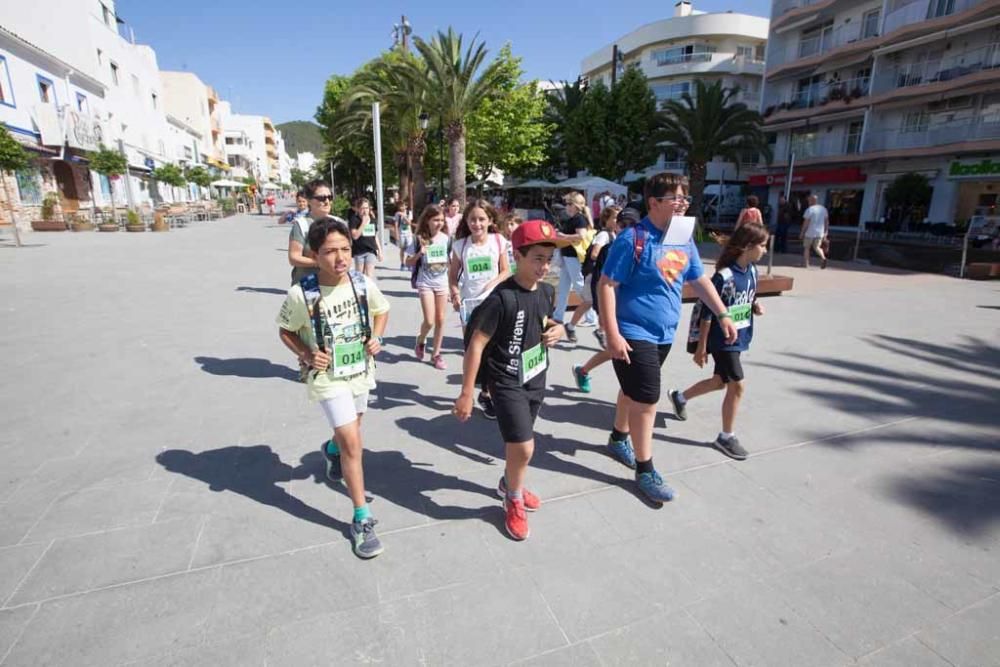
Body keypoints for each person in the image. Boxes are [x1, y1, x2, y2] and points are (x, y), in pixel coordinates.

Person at [598, 172, 737, 504]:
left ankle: (619, 437)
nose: (682, 204)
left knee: (633, 389)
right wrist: (612, 334)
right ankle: (645, 469)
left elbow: (699, 279)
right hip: (632, 331)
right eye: (675, 198)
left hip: (663, 333)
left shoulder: (681, 237)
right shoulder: (632, 239)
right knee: (647, 398)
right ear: (653, 203)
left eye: (684, 199)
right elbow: (606, 285)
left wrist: (723, 313)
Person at [276, 217, 391, 559]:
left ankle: (330, 450)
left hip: (359, 370)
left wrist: (377, 337)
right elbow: (285, 329)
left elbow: (381, 310)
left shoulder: (360, 282)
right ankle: (361, 518)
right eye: (330, 251)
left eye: (345, 249)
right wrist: (307, 354)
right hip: (328, 377)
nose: (341, 258)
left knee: (350, 433)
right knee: (354, 444)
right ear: (314, 254)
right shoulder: (302, 293)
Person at [453, 219, 567, 540]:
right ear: (517, 255)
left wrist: (559, 329)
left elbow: (548, 321)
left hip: (535, 377)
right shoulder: (500, 299)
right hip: (505, 380)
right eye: (537, 259)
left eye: (548, 259)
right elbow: (476, 344)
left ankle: (508, 481)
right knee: (525, 446)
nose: (544, 267)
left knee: (519, 444)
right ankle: (512, 498)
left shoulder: (546, 291)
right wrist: (466, 393)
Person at [670, 223, 768, 461]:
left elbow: (747, 297)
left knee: (719, 382)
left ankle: (679, 397)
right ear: (748, 246)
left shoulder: (753, 271)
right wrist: (701, 346)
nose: (765, 250)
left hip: (740, 335)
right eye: (762, 245)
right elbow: (707, 312)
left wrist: (754, 306)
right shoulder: (724, 276)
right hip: (722, 339)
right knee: (738, 385)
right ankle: (726, 437)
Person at [448, 199, 511, 419]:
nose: (477, 223)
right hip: (470, 306)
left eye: (482, 219)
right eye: (473, 219)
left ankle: (486, 393)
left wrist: (492, 285)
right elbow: (453, 275)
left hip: (494, 303)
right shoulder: (460, 245)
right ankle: (469, 392)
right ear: (466, 221)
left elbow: (506, 270)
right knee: (473, 350)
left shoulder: (498, 240)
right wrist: (455, 293)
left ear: (490, 220)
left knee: (493, 349)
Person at [573, 205, 626, 392]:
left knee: (617, 349)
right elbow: (595, 256)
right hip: (599, 283)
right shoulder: (606, 238)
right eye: (618, 220)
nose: (622, 226)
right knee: (617, 348)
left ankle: (583, 370)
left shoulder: (625, 242)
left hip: (623, 304)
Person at [568, 205, 620, 352]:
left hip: (601, 275)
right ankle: (601, 331)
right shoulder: (604, 235)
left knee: (589, 302)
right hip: (596, 276)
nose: (618, 220)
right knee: (599, 304)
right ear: (606, 220)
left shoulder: (614, 235)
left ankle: (571, 326)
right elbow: (594, 254)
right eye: (615, 218)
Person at [406, 205, 450, 370]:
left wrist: (454, 287)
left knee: (440, 319)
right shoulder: (418, 239)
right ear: (427, 220)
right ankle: (421, 340)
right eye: (435, 220)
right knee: (430, 320)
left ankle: (436, 354)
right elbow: (407, 262)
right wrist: (419, 254)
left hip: (442, 282)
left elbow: (451, 263)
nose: (439, 223)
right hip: (425, 283)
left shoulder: (446, 239)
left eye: (441, 220)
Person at [554, 191, 595, 344]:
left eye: (569, 204)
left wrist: (563, 236)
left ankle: (591, 316)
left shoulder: (579, 219)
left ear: (576, 205)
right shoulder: (576, 218)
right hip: (568, 256)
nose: (567, 206)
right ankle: (558, 316)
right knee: (564, 287)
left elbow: (581, 236)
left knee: (579, 286)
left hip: (573, 257)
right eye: (567, 204)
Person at [288, 181, 332, 286]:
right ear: (309, 201)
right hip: (308, 284)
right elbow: (293, 257)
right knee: (314, 303)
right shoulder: (302, 225)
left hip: (332, 283)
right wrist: (320, 263)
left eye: (329, 197)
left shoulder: (337, 222)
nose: (327, 201)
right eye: (321, 198)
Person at [347, 197, 383, 278]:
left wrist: (380, 251)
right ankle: (360, 290)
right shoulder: (354, 220)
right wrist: (363, 223)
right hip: (359, 251)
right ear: (358, 209)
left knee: (369, 275)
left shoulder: (373, 220)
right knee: (360, 275)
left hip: (371, 250)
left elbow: (375, 237)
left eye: (366, 208)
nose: (365, 210)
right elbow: (355, 236)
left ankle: (368, 290)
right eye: (362, 208)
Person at [800, 194, 829, 269]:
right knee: (817, 247)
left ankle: (806, 264)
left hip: (810, 232)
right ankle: (823, 258)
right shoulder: (823, 209)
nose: (808, 202)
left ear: (811, 201)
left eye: (809, 200)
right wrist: (826, 232)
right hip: (820, 232)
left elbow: (806, 222)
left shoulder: (809, 210)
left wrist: (802, 232)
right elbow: (826, 221)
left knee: (807, 248)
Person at [393, 201, 413, 271]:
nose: (401, 207)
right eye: (400, 206)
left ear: (406, 206)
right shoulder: (397, 214)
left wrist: (404, 216)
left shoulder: (408, 213)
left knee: (410, 249)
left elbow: (409, 223)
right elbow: (395, 225)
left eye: (403, 206)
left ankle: (409, 263)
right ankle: (402, 263)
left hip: (409, 234)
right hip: (401, 234)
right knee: (402, 249)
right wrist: (396, 234)